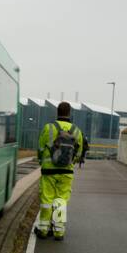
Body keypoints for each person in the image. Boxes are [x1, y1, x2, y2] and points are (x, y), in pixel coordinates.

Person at [36, 102, 85, 241]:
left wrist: (42, 161)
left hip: (49, 171)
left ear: (57, 112)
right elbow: (79, 152)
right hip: (66, 172)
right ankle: (58, 232)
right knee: (61, 201)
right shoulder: (76, 130)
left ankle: (43, 230)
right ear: (70, 113)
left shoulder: (49, 127)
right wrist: (70, 163)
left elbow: (40, 148)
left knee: (47, 200)